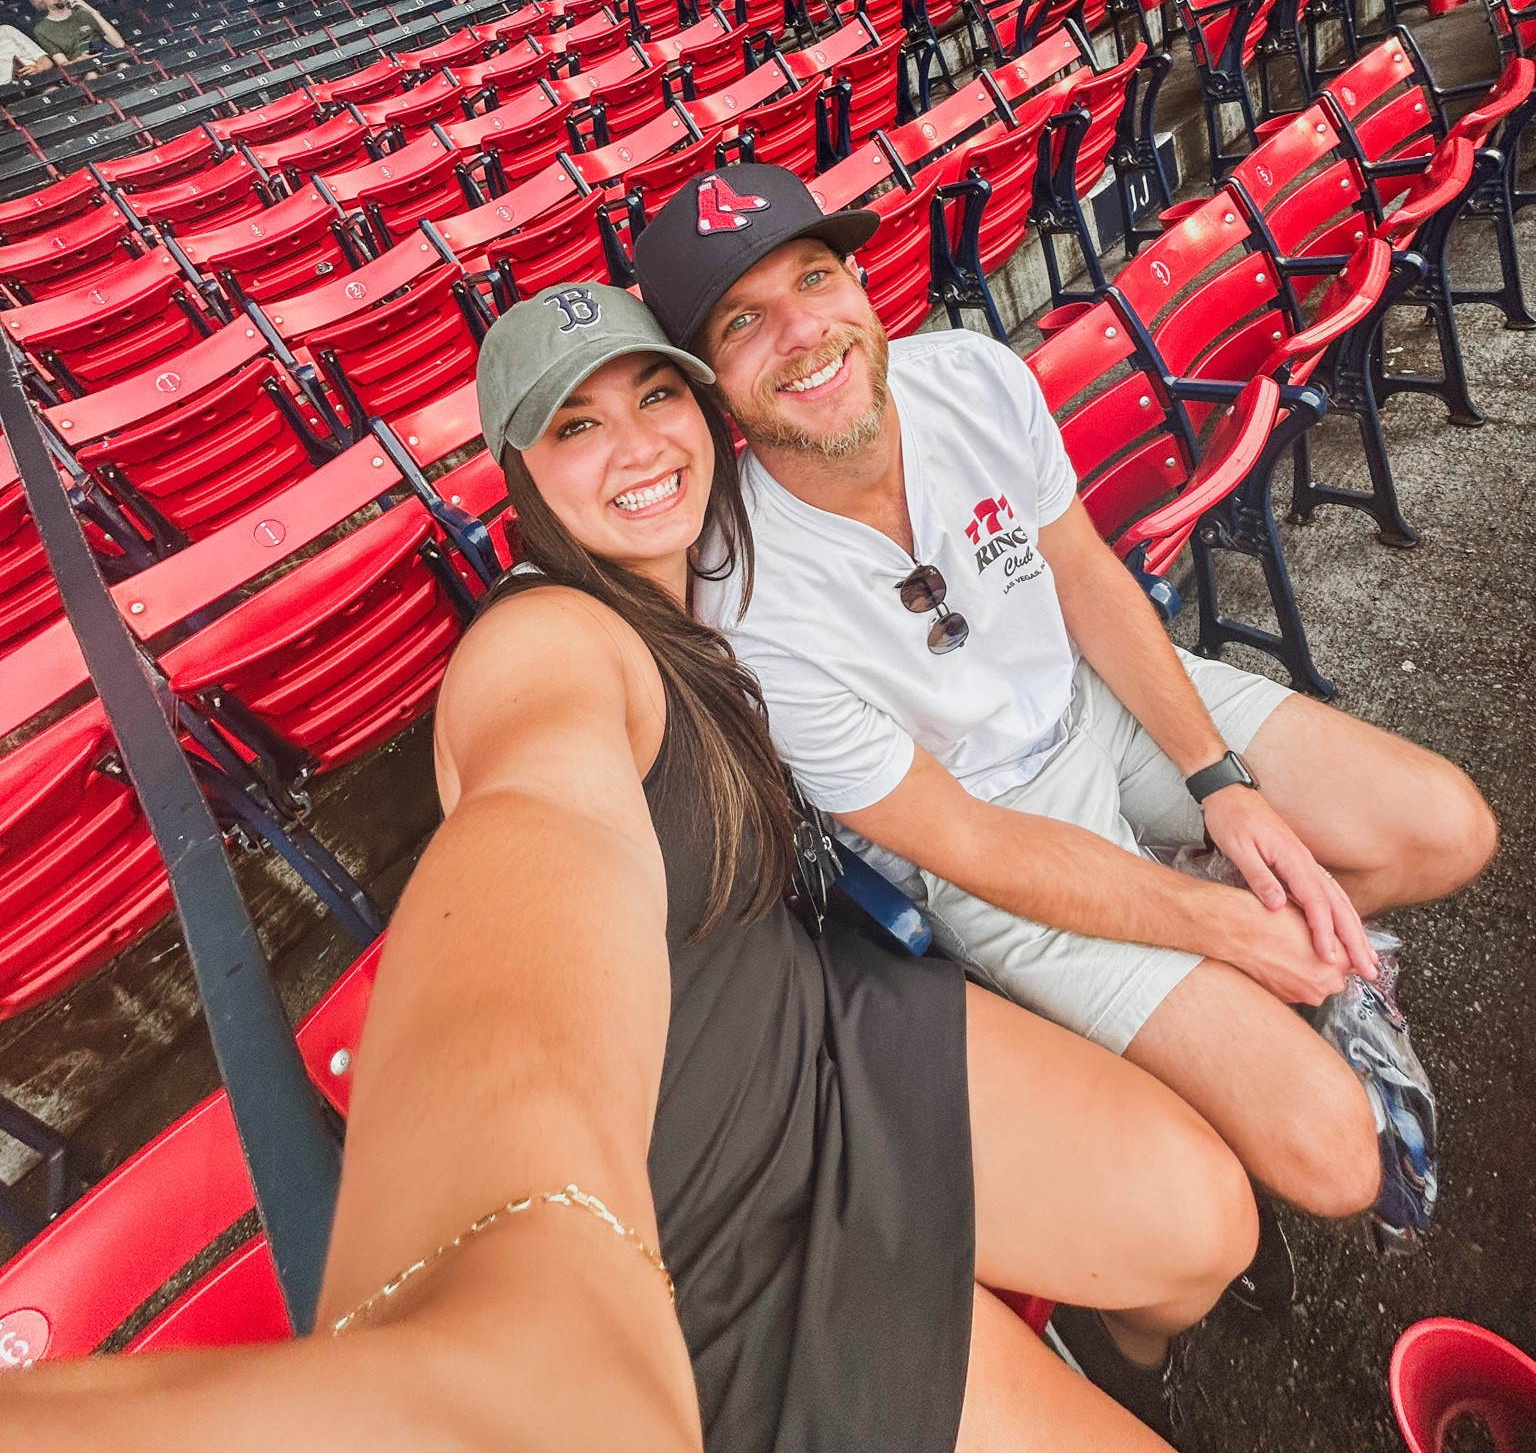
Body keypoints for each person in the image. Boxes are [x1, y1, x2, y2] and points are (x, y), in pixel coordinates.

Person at [0, 287, 1256, 1452]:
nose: (640, 444)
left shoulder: (714, 570)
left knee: (1206, 1224)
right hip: (698, 1231)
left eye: (657, 394)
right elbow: (541, 827)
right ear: (522, 475)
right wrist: (505, 1251)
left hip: (824, 1030)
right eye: (577, 424)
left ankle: (1111, 1350)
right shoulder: (546, 641)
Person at [631, 163, 1498, 1239]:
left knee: (1447, 827)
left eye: (815, 277)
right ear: (710, 386)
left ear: (859, 283)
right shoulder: (741, 598)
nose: (803, 331)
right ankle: (1185, 976)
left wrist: (1220, 782)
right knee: (1334, 1155)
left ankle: (1184, 935)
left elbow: (1083, 574)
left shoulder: (973, 375)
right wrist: (1226, 925)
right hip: (986, 826)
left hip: (1090, 700)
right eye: (743, 321)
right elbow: (964, 839)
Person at [25, 0, 129, 71]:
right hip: (83, 69)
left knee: (124, 66)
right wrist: (80, 60)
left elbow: (119, 44)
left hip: (107, 57)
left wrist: (92, 11)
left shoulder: (84, 12)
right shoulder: (42, 29)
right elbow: (63, 64)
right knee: (91, 75)